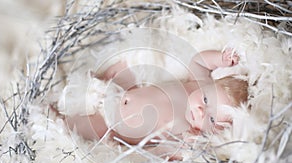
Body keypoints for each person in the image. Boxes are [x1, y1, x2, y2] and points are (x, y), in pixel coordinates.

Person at [54, 48, 248, 151]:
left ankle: (53, 121)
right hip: (119, 92)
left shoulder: (189, 134)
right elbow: (199, 61)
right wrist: (220, 59)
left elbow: (167, 153)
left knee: (72, 128)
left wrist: (189, 147)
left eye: (212, 119)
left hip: (112, 126)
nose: (201, 110)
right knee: (120, 67)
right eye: (206, 100)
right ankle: (82, 84)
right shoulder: (198, 82)